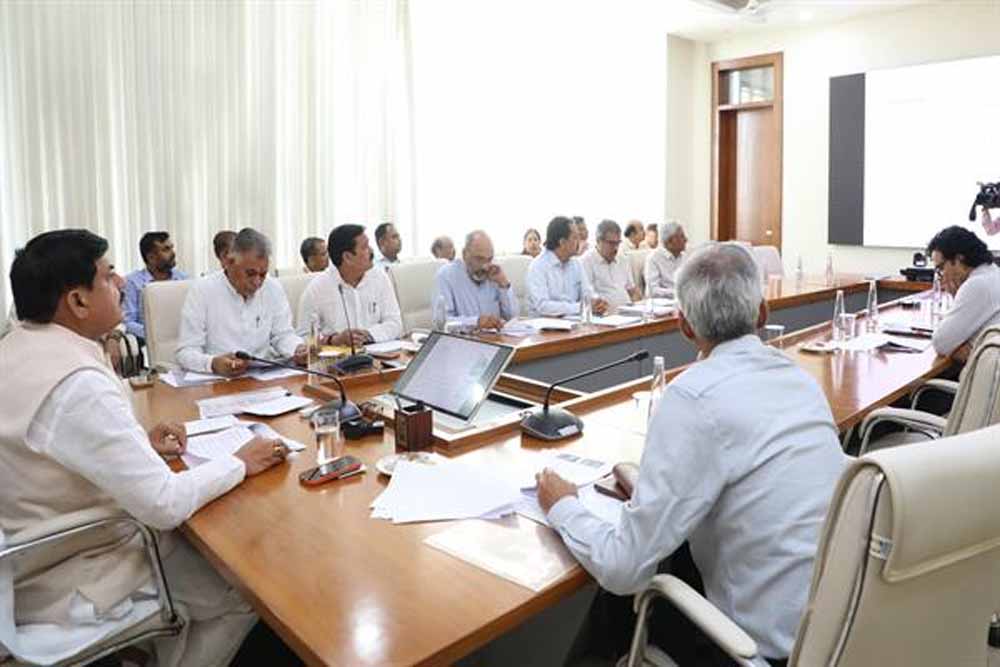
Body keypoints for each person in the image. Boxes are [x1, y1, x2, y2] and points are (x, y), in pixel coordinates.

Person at [537, 242, 845, 667]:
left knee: (620, 597)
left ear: (683, 324)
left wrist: (563, 506)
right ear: (762, 313)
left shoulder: (691, 396)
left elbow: (624, 568)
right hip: (836, 631)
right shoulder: (803, 382)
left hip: (755, 652)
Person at [0, 229, 289, 667]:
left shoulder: (21, 346)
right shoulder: (77, 385)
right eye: (108, 274)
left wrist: (140, 444)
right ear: (77, 301)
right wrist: (239, 462)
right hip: (78, 568)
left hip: (33, 553)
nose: (121, 283)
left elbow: (62, 445)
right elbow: (164, 505)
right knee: (249, 589)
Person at [176, 228, 305, 376]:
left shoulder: (272, 287)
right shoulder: (202, 290)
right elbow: (186, 351)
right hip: (218, 379)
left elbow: (283, 335)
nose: (257, 282)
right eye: (250, 273)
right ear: (229, 262)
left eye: (262, 274)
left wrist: (298, 349)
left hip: (264, 376)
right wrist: (212, 363)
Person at [297, 224, 403, 345]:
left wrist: (368, 335)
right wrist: (334, 340)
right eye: (365, 247)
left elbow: (395, 323)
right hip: (339, 355)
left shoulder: (379, 277)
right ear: (347, 257)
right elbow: (304, 336)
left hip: (379, 352)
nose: (371, 251)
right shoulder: (317, 288)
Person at [928, 225, 1000, 362]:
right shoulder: (993, 273)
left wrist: (954, 347)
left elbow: (941, 342)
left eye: (941, 268)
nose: (941, 276)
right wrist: (958, 347)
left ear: (959, 260)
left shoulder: (977, 285)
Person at [433, 230, 518, 329]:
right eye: (479, 259)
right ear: (465, 254)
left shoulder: (494, 273)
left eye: (489, 259)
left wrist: (503, 284)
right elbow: (442, 322)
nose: (485, 266)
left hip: (496, 337)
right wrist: (475, 322)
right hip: (463, 338)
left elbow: (512, 317)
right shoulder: (446, 276)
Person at [525, 216, 608, 317]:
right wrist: (582, 307)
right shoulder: (538, 266)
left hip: (573, 322)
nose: (579, 240)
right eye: (575, 237)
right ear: (562, 242)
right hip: (544, 324)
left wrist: (597, 302)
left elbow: (587, 292)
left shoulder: (576, 264)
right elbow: (543, 306)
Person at [122, 231, 187, 341]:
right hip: (147, 342)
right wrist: (154, 334)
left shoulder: (184, 279)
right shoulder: (132, 282)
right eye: (166, 249)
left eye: (172, 248)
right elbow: (127, 322)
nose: (173, 253)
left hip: (182, 340)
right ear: (151, 257)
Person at [581, 219, 641, 308]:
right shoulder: (586, 262)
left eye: (618, 243)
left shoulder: (623, 259)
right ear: (598, 241)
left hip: (628, 310)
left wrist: (638, 306)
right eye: (611, 243)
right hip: (605, 313)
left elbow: (632, 291)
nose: (616, 248)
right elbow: (587, 296)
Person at [644, 221, 687, 298]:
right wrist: (678, 293)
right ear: (669, 241)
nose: (686, 239)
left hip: (683, 300)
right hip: (663, 302)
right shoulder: (653, 258)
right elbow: (653, 290)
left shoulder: (685, 257)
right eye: (682, 236)